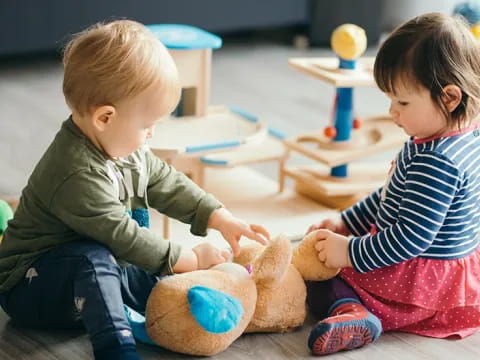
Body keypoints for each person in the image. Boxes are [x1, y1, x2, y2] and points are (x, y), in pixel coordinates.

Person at [0, 20, 270, 360]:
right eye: (147, 125)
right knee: (97, 257)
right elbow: (122, 236)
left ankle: (191, 313)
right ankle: (117, 347)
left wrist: (218, 216)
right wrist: (187, 258)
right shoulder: (74, 172)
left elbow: (165, 182)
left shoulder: (126, 148)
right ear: (105, 118)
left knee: (146, 273)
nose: (152, 134)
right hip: (30, 288)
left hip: (95, 274)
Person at [305, 12, 480, 355]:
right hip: (451, 279)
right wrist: (347, 220)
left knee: (320, 275)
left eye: (402, 102)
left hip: (419, 283)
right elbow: (392, 196)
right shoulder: (459, 136)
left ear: (449, 98)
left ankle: (353, 312)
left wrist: (349, 252)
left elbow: (408, 239)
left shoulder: (435, 160)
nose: (392, 111)